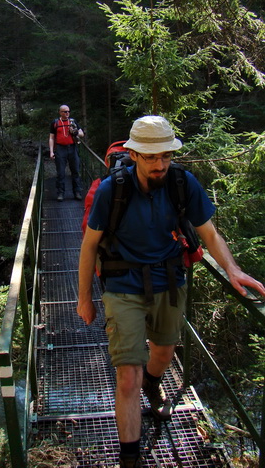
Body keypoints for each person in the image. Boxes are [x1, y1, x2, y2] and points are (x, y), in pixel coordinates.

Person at [77, 115, 265, 468]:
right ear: (134, 155)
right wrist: (84, 298)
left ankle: (154, 381)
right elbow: (89, 247)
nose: (159, 163)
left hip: (169, 280)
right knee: (127, 375)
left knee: (162, 353)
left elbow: (208, 232)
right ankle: (130, 458)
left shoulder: (182, 183)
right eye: (151, 157)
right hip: (122, 284)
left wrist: (233, 269)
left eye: (165, 155)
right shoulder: (111, 190)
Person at [49, 104, 84, 201]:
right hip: (60, 149)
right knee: (60, 172)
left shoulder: (73, 122)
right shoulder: (55, 123)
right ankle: (60, 193)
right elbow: (51, 137)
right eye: (65, 111)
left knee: (75, 170)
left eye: (68, 111)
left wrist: (76, 132)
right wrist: (51, 151)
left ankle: (77, 192)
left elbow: (82, 134)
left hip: (72, 148)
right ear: (60, 112)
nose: (67, 113)